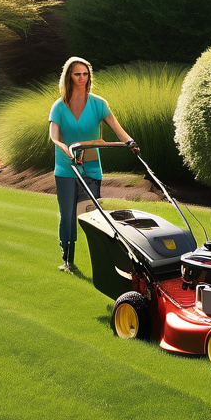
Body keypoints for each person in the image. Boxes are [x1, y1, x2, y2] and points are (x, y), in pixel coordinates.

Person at [48, 57, 136, 273]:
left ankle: (106, 262)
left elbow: (117, 127)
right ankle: (68, 259)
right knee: (67, 215)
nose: (82, 78)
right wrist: (65, 148)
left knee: (90, 215)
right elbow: (54, 137)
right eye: (77, 74)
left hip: (91, 167)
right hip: (66, 168)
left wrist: (130, 142)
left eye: (85, 74)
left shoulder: (98, 103)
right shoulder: (59, 106)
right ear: (69, 76)